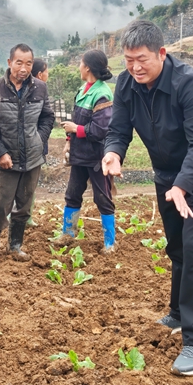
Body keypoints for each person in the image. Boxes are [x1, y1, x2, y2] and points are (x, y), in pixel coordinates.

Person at [102, 20, 193, 377]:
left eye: (141, 59)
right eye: (128, 60)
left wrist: (184, 185)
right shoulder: (127, 84)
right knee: (176, 246)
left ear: (161, 53)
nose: (134, 67)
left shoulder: (188, 84)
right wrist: (114, 152)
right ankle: (177, 311)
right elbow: (119, 128)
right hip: (167, 174)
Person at [0, 44, 55, 260]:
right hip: (6, 160)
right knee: (1, 204)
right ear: (9, 63)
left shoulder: (40, 88)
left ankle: (15, 246)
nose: (24, 68)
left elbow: (48, 117)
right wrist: (0, 153)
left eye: (28, 63)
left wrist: (38, 139)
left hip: (33, 160)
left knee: (24, 206)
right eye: (19, 63)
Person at [62, 50, 115, 251]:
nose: (78, 68)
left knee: (102, 197)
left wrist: (76, 130)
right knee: (73, 193)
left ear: (88, 68)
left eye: (80, 64)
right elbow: (75, 120)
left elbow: (101, 130)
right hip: (79, 155)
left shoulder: (102, 93)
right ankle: (67, 234)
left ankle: (110, 243)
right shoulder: (83, 89)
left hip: (96, 157)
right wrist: (69, 139)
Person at [26, 57, 50, 227]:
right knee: (26, 184)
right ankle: (21, 216)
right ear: (40, 74)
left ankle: (25, 215)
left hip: (35, 141)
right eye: (46, 71)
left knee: (29, 184)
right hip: (32, 143)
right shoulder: (38, 90)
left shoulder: (37, 89)